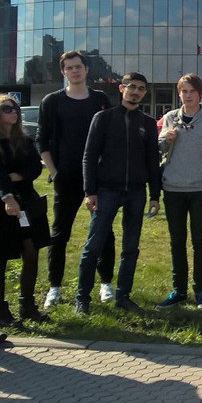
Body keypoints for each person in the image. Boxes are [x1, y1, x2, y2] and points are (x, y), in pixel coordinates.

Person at [75, 73, 161, 314]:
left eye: (141, 88)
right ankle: (82, 299)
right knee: (94, 246)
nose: (135, 92)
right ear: (122, 89)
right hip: (106, 191)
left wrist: (155, 195)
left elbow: (152, 161)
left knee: (131, 248)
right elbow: (89, 156)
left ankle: (123, 296)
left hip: (136, 192)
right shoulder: (103, 118)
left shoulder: (147, 123)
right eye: (131, 86)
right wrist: (90, 191)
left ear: (145, 93)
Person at [36, 50, 114, 309]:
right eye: (69, 68)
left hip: (97, 178)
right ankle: (54, 288)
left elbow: (110, 137)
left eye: (78, 66)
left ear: (86, 69)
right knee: (60, 234)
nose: (75, 71)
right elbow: (41, 140)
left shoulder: (101, 100)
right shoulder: (52, 101)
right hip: (66, 177)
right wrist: (54, 172)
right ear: (63, 72)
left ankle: (106, 284)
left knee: (104, 232)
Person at [156, 74, 202, 309]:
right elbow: (160, 150)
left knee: (199, 240)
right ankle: (179, 290)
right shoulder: (170, 117)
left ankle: (201, 290)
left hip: (200, 189)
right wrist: (166, 140)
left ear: (200, 93)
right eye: (183, 91)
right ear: (179, 94)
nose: (188, 96)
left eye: (192, 91)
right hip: (173, 187)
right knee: (177, 241)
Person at [0, 95, 49, 324]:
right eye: (7, 108)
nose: (13, 112)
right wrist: (8, 196)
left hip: (27, 202)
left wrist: (19, 176)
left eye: (15, 108)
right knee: (2, 257)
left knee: (31, 250)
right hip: (4, 204)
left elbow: (35, 167)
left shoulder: (25, 140)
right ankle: (2, 311)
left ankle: (27, 305)